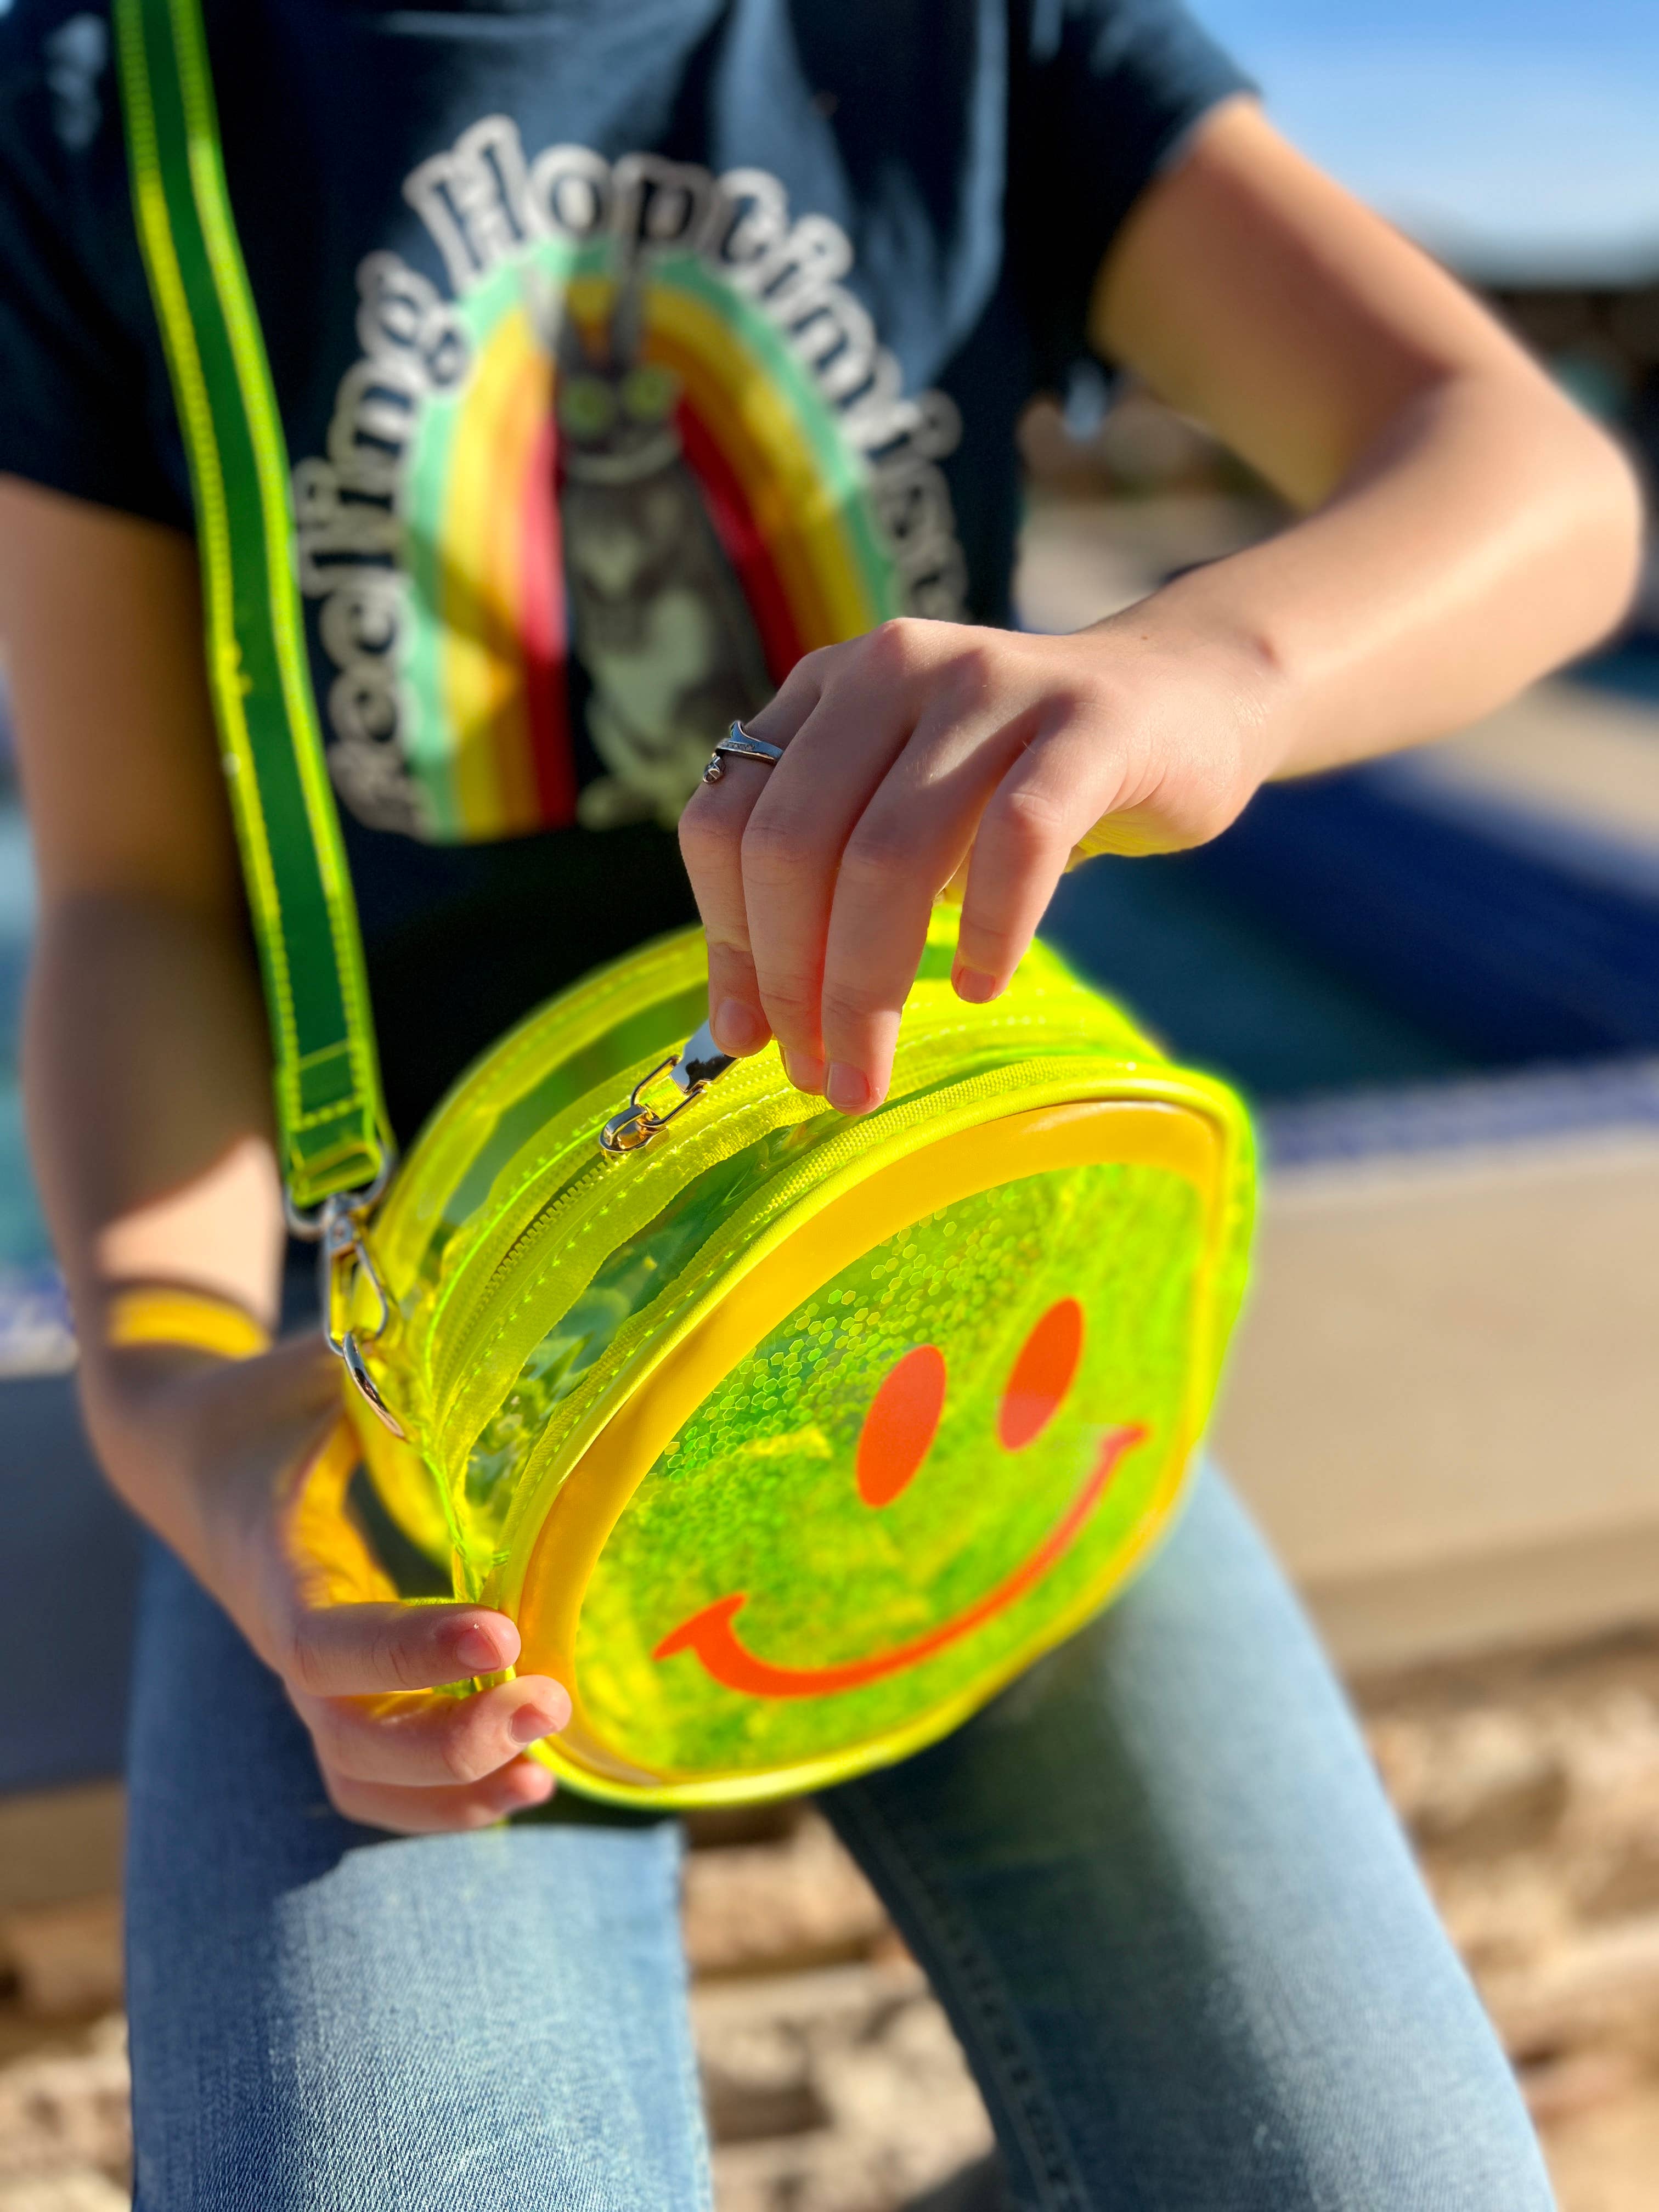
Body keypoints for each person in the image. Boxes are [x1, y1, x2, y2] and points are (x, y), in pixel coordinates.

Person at [0, 2, 1640, 2205]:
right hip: (440, 1430)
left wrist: (1199, 668)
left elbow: (1530, 482)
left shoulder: (977, 38)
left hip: (963, 1289)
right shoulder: (107, 100)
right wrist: (176, 1398)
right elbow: (131, 896)